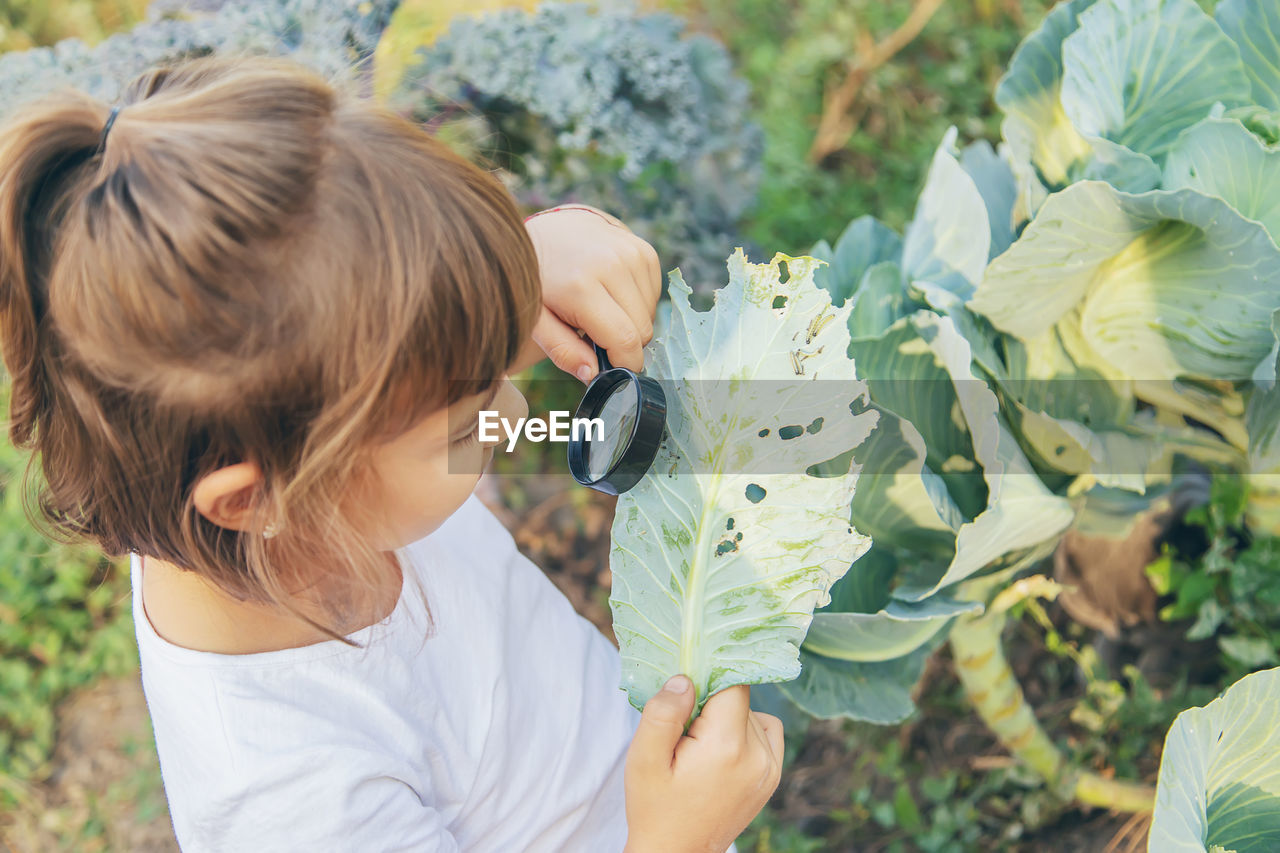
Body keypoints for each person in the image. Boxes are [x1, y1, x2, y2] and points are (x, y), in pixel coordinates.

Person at [0, 54, 783, 851]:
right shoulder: (292, 801)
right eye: (465, 417)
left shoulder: (265, 476)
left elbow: (382, 370)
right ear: (257, 497)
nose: (512, 406)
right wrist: (676, 838)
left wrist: (518, 263)